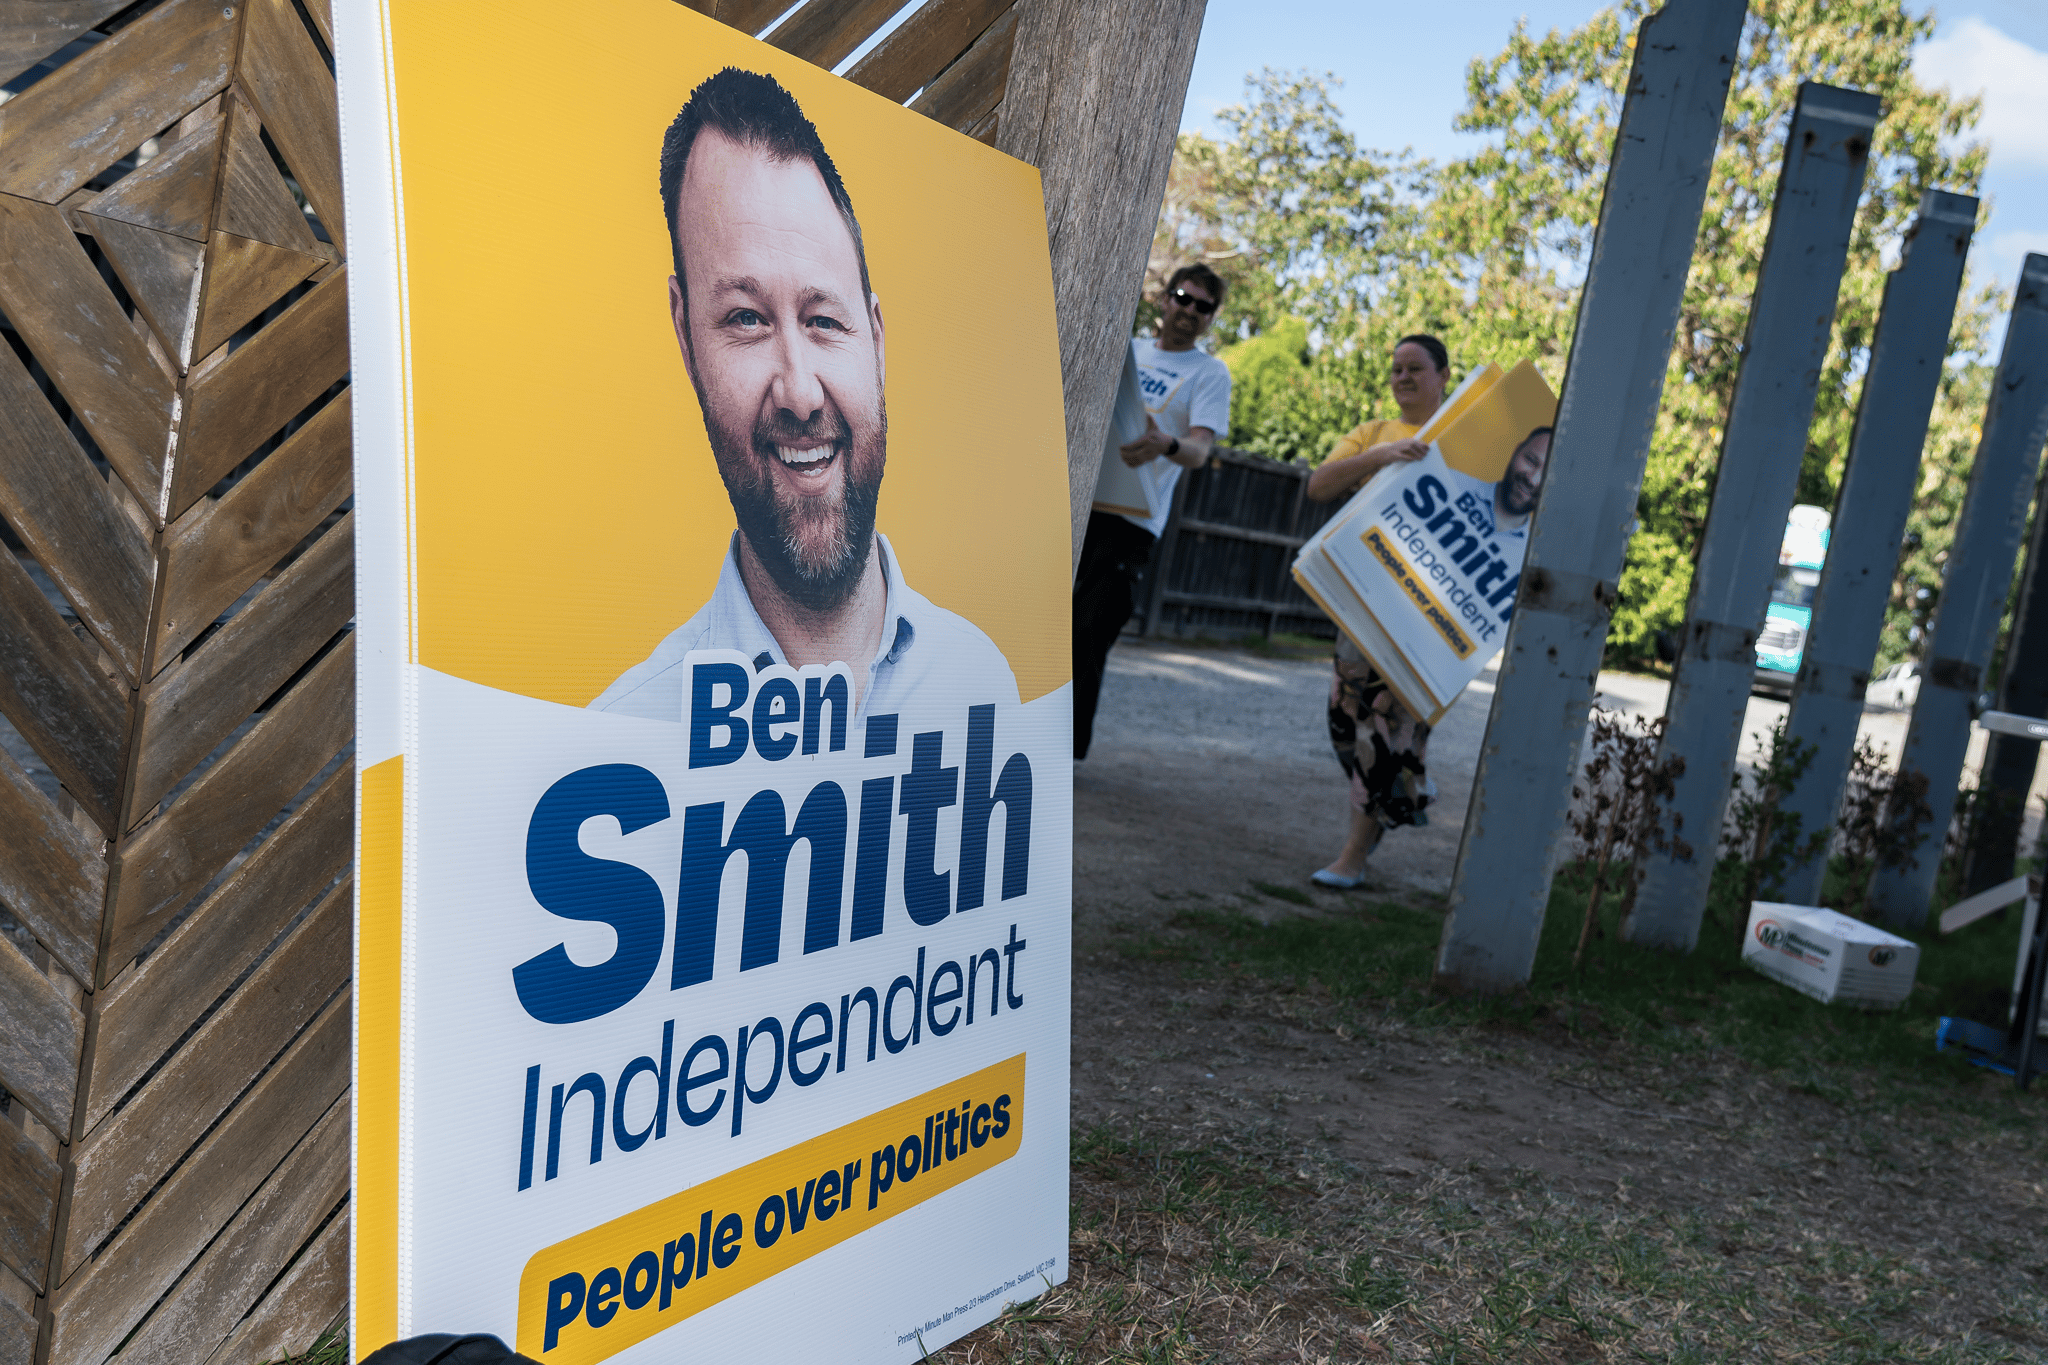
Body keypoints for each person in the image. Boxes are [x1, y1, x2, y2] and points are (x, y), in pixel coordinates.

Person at [591, 68, 1016, 722]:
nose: (799, 391)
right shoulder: (621, 742)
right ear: (685, 339)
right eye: (746, 318)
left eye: (824, 320)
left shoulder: (981, 682)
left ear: (875, 339)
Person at [1302, 333, 1451, 888]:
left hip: (1429, 618)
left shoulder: (1460, 437)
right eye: (1396, 370)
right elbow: (1319, 485)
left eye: (1416, 368)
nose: (1403, 378)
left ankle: (1353, 858)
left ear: (1442, 376)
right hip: (1364, 605)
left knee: (1385, 730)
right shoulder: (1373, 434)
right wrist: (1384, 456)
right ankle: (1405, 783)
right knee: (1347, 720)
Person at [1071, 265, 1232, 759]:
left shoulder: (1209, 373)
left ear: (1211, 318)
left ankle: (1063, 756)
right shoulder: (1128, 350)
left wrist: (1167, 444)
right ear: (1164, 299)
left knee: (1088, 634)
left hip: (1132, 520)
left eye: (1202, 306)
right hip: (1079, 504)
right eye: (1183, 298)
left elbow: (1200, 451)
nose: (1189, 311)